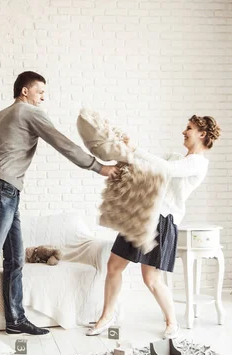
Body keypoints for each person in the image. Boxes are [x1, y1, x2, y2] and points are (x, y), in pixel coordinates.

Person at [0, 71, 119, 339]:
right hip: (3, 191)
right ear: (25, 91)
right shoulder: (29, 113)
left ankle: (15, 319)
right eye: (40, 92)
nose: (43, 98)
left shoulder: (0, 116)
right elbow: (63, 144)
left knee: (14, 259)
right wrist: (98, 167)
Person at [86, 115, 221, 339]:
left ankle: (172, 322)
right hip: (142, 215)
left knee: (151, 279)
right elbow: (152, 166)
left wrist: (136, 148)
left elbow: (166, 169)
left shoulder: (197, 163)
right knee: (114, 266)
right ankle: (106, 316)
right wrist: (127, 150)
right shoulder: (179, 158)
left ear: (202, 134)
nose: (184, 132)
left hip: (162, 221)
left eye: (189, 128)